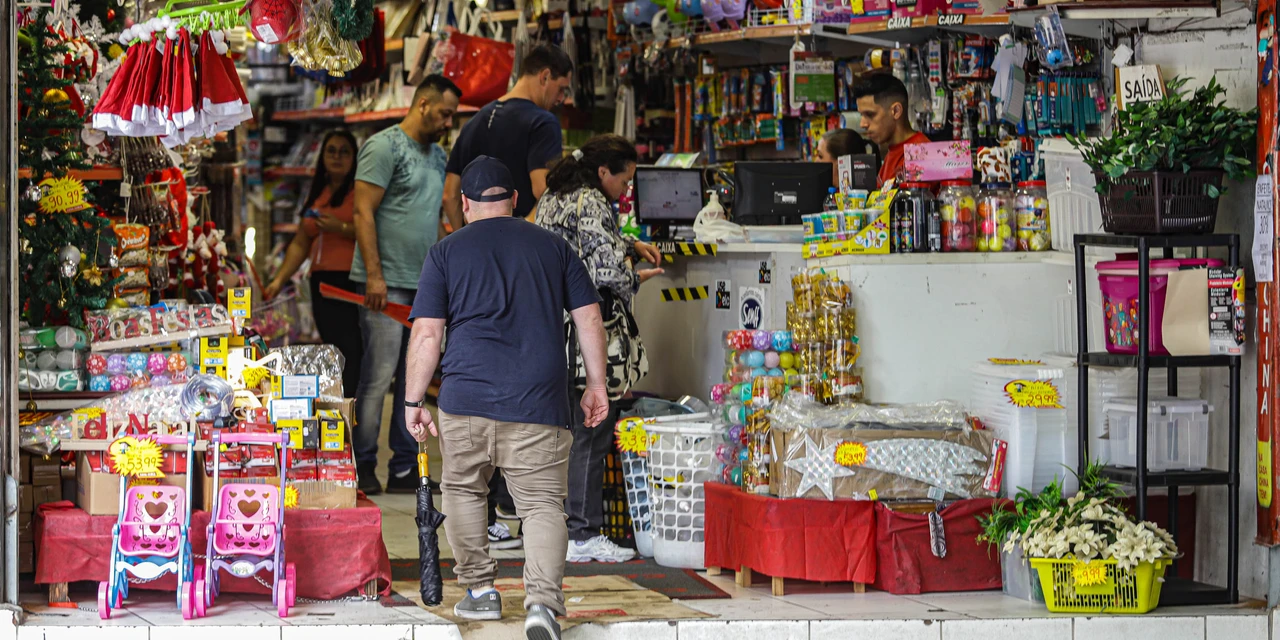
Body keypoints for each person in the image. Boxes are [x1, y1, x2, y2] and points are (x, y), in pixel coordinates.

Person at [404, 155, 610, 640]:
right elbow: (589, 318)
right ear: (517, 200)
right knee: (542, 506)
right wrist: (596, 384)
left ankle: (479, 593)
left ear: (464, 204)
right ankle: (541, 606)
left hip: (465, 399)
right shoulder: (554, 247)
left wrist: (413, 401)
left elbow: (428, 334)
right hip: (538, 401)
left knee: (464, 491)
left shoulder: (446, 252)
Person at [535, 135, 663, 563]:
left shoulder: (557, 194)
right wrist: (636, 274)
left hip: (554, 331)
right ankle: (584, 533)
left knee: (567, 434)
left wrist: (627, 244)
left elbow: (577, 245)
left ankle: (562, 529)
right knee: (593, 429)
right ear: (603, 172)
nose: (626, 191)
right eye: (624, 181)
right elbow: (606, 270)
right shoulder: (590, 200)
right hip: (588, 333)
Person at [350, 75, 462, 495]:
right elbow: (363, 212)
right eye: (445, 113)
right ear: (423, 105)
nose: (449, 122)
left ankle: (403, 468)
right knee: (377, 377)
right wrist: (374, 275)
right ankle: (362, 466)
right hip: (387, 284)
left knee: (412, 379)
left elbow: (435, 216)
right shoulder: (383, 147)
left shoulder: (437, 157)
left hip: (424, 287)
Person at [264, 130, 363, 397]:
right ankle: (337, 404)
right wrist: (278, 280)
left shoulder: (360, 192)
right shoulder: (317, 192)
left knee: (350, 349)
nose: (337, 157)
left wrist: (339, 227)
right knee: (332, 348)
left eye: (344, 151)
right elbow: (300, 242)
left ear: (354, 158)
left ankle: (349, 406)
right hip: (321, 283)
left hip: (351, 281)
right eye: (331, 150)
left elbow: (373, 231)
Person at [442, 44, 574, 229]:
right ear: (544, 77)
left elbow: (450, 195)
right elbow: (544, 191)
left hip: (475, 246)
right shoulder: (543, 123)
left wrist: (464, 238)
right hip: (519, 248)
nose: (560, 98)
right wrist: (521, 234)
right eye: (561, 88)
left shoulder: (474, 122)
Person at [852, 74, 930, 188]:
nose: (862, 124)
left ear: (896, 111)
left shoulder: (920, 154)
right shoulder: (894, 151)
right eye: (861, 115)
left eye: (870, 114)